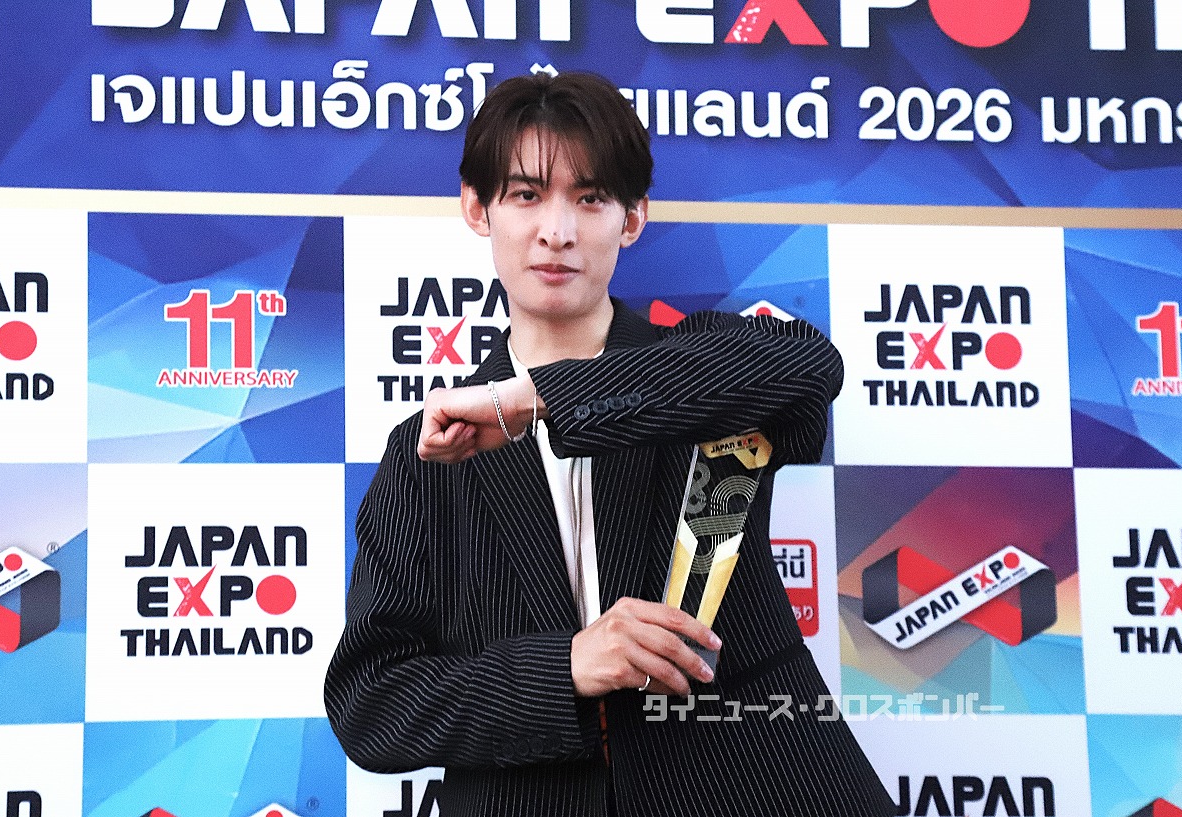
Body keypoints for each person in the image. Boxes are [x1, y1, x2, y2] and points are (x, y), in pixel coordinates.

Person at [324, 70, 894, 816]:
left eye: (590, 198)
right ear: (476, 208)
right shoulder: (427, 451)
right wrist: (564, 666)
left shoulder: (705, 367)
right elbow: (370, 701)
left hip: (748, 787)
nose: (557, 231)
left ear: (633, 217)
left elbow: (809, 366)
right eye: (526, 195)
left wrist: (539, 397)